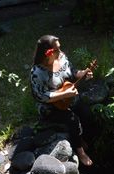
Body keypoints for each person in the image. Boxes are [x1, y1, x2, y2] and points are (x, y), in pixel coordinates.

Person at [30, 35, 94, 166]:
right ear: (47, 53)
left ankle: (82, 138)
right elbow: (40, 96)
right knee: (73, 120)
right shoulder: (37, 72)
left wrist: (82, 74)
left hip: (67, 98)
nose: (61, 51)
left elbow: (72, 71)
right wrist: (63, 94)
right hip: (50, 106)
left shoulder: (62, 57)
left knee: (86, 112)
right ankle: (80, 151)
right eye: (57, 49)